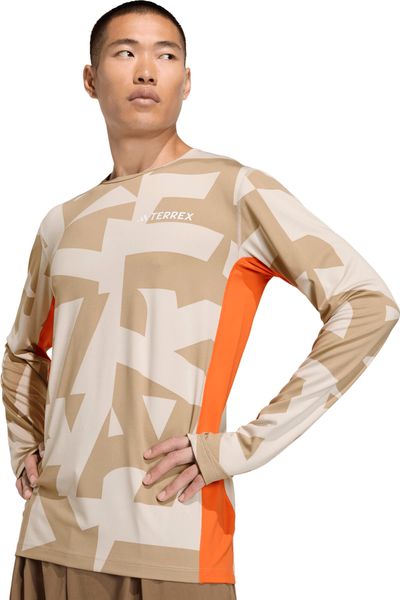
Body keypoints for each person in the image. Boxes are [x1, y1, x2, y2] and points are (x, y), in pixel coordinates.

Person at [2, 1, 399, 598]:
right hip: (50, 537)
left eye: (165, 56)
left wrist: (241, 448)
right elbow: (22, 352)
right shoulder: (63, 222)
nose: (146, 70)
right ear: (90, 78)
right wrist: (26, 445)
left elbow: (367, 304)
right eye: (125, 52)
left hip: (174, 538)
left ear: (186, 82)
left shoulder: (233, 190)